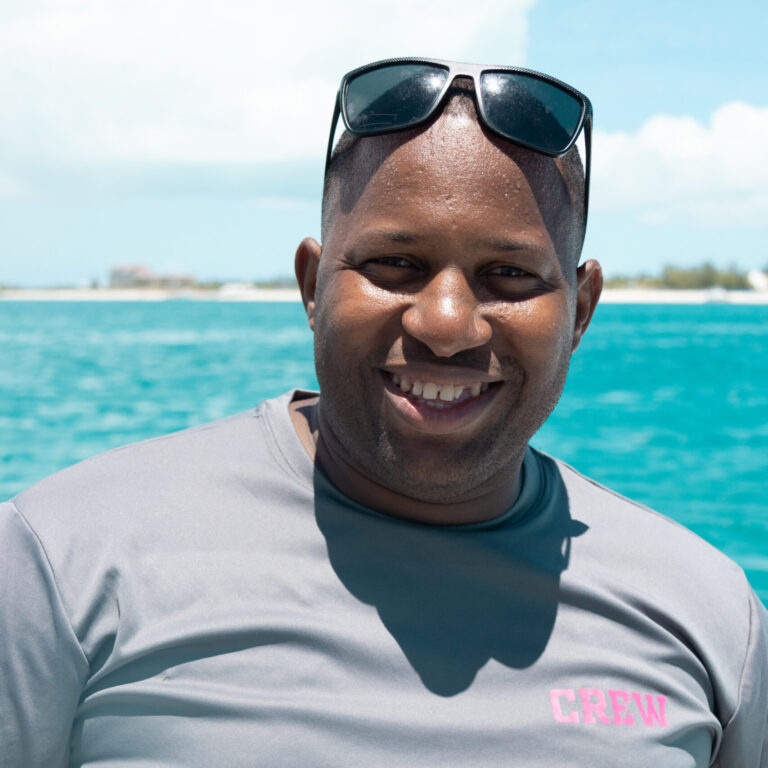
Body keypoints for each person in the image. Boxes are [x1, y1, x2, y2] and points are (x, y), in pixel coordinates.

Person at [1, 58, 766, 767]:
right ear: (312, 286)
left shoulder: (709, 616)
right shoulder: (62, 560)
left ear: (581, 311)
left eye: (509, 275)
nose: (446, 324)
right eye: (394, 265)